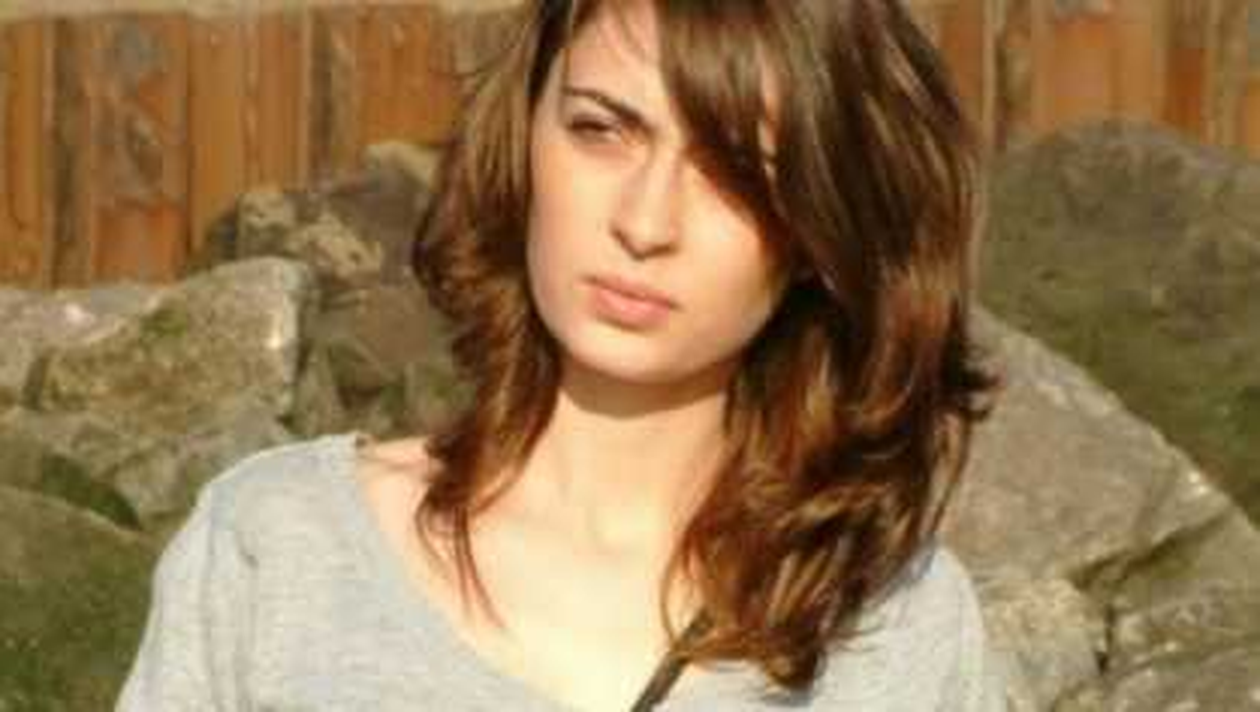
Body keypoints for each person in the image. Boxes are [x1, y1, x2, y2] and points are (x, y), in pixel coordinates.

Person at [117, 0, 1005, 709]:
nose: (646, 223)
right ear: (525, 134)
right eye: (601, 130)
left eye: (736, 171)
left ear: (821, 229)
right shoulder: (277, 549)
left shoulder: (896, 632)